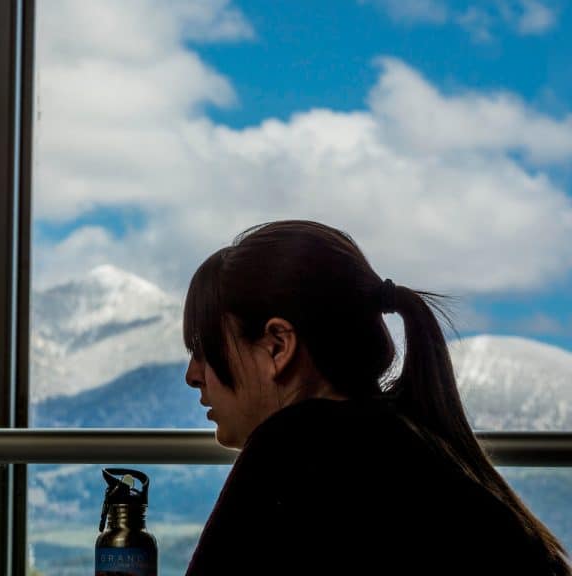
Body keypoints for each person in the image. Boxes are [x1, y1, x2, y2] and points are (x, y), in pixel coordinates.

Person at [181, 220, 571, 575]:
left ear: (278, 345)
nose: (193, 375)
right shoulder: (413, 441)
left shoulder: (296, 444)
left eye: (205, 348)